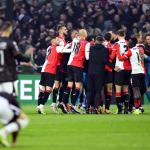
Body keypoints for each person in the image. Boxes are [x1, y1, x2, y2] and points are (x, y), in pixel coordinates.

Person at [59, 29, 90, 114]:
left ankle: (63, 102)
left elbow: (67, 48)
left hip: (69, 64)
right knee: (77, 87)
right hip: (78, 66)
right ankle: (73, 105)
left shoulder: (75, 40)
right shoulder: (87, 43)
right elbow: (87, 57)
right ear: (85, 35)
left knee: (69, 85)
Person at [0, 21, 30, 94]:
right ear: (9, 30)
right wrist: (28, 57)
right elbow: (18, 56)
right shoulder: (11, 43)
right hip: (7, 76)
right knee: (9, 100)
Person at [36, 38, 63, 114]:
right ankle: (41, 106)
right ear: (53, 42)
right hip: (50, 70)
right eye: (57, 40)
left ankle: (39, 105)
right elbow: (65, 50)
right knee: (48, 90)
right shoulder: (57, 48)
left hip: (44, 69)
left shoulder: (49, 47)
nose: (59, 41)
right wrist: (63, 43)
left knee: (43, 90)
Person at [86, 36, 112, 114]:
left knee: (89, 90)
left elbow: (88, 58)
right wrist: (113, 67)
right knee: (98, 91)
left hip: (90, 72)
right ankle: (95, 108)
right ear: (102, 41)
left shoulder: (91, 48)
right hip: (100, 73)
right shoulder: (105, 49)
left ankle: (87, 107)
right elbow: (105, 61)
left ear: (96, 41)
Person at [113, 29, 131, 114]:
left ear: (118, 35)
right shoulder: (128, 43)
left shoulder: (116, 44)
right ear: (124, 35)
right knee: (126, 90)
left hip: (119, 68)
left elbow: (112, 56)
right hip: (128, 69)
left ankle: (120, 109)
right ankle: (126, 109)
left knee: (118, 90)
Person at [52, 25, 68, 113]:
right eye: (65, 29)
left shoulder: (64, 40)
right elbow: (58, 50)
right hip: (58, 65)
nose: (67, 30)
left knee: (62, 85)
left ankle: (60, 102)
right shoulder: (57, 39)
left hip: (63, 65)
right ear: (60, 30)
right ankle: (54, 104)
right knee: (57, 85)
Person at [129, 37, 146, 114]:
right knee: (140, 89)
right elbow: (143, 58)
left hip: (134, 72)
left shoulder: (130, 50)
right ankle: (139, 106)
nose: (128, 43)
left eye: (129, 42)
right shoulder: (140, 49)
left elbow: (122, 58)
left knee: (136, 90)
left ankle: (136, 108)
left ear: (132, 43)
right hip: (141, 71)